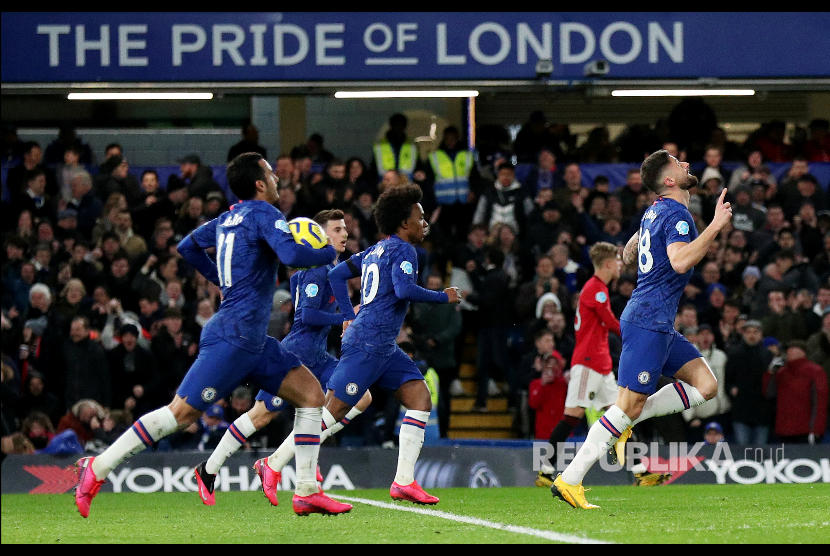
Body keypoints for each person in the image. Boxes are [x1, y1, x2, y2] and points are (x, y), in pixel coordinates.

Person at [71, 152, 350, 518]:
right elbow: (290, 254)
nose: (277, 180)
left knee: (311, 395)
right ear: (259, 183)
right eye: (271, 173)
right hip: (233, 338)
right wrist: (325, 252)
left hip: (253, 341)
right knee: (181, 414)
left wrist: (223, 280)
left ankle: (307, 491)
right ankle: (98, 468)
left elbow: (187, 246)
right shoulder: (264, 213)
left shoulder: (227, 218)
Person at [551, 149, 732, 509]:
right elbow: (679, 261)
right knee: (625, 407)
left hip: (657, 322)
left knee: (707, 386)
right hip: (648, 320)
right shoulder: (678, 214)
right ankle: (569, 479)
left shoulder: (654, 211)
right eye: (679, 164)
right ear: (669, 181)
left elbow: (630, 251)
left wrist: (637, 246)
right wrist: (715, 225)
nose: (686, 164)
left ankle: (628, 421)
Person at [194, 209, 372, 507]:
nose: (345, 234)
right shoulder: (317, 270)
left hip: (317, 353)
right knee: (261, 415)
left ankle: (281, 459)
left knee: (361, 397)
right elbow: (306, 315)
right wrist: (346, 315)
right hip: (298, 352)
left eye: (344, 229)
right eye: (338, 229)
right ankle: (209, 469)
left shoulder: (320, 269)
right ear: (319, 234)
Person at [325, 184, 462, 504]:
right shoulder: (403, 250)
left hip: (383, 345)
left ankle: (403, 481)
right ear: (404, 223)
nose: (425, 222)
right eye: (420, 217)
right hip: (369, 343)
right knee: (331, 415)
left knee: (419, 398)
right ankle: (274, 463)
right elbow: (403, 289)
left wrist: (347, 315)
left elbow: (337, 276)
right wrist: (444, 296)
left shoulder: (375, 249)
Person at [537, 241, 622, 486]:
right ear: (607, 263)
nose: (619, 264)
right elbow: (611, 323)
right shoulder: (596, 289)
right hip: (588, 362)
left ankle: (641, 471)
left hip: (601, 362)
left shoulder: (596, 288)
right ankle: (545, 470)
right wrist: (636, 335)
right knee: (572, 416)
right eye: (616, 260)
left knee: (621, 416)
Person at [763, 340, 828, 444]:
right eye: (788, 350)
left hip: (805, 430)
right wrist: (770, 373)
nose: (788, 352)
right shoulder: (781, 372)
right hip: (783, 430)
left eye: (792, 349)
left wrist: (816, 429)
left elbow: (819, 402)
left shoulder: (815, 371)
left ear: (802, 352)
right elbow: (769, 393)